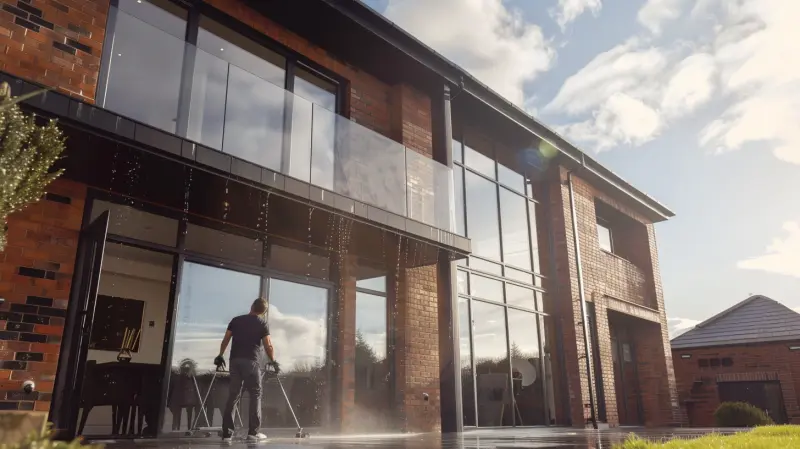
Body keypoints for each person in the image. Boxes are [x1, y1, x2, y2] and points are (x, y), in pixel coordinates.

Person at [215, 298, 280, 442]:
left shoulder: (236, 320)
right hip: (251, 362)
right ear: (263, 312)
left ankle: (227, 434)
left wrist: (220, 355)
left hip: (235, 361)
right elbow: (268, 344)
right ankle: (253, 433)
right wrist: (273, 361)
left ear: (251, 306)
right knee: (255, 394)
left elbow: (226, 339)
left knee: (233, 395)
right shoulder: (262, 323)